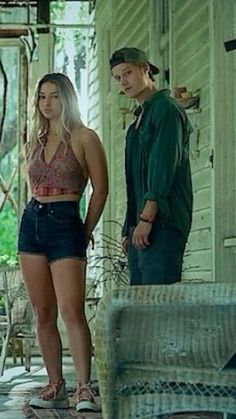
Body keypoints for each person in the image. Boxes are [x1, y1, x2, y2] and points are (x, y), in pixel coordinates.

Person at [18, 73, 108, 411]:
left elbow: (101, 190)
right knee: (43, 312)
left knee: (71, 310)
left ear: (67, 98)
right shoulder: (35, 141)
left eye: (54, 96)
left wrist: (84, 230)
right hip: (32, 224)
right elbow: (34, 188)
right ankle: (55, 384)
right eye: (42, 97)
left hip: (66, 222)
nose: (47, 103)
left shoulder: (85, 137)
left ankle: (84, 389)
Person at [109, 47, 193, 285]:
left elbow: (163, 166)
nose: (123, 81)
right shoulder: (139, 119)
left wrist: (147, 219)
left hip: (162, 221)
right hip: (141, 224)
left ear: (145, 68)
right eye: (117, 77)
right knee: (141, 308)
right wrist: (130, 226)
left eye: (128, 73)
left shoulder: (165, 109)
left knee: (159, 306)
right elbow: (134, 180)